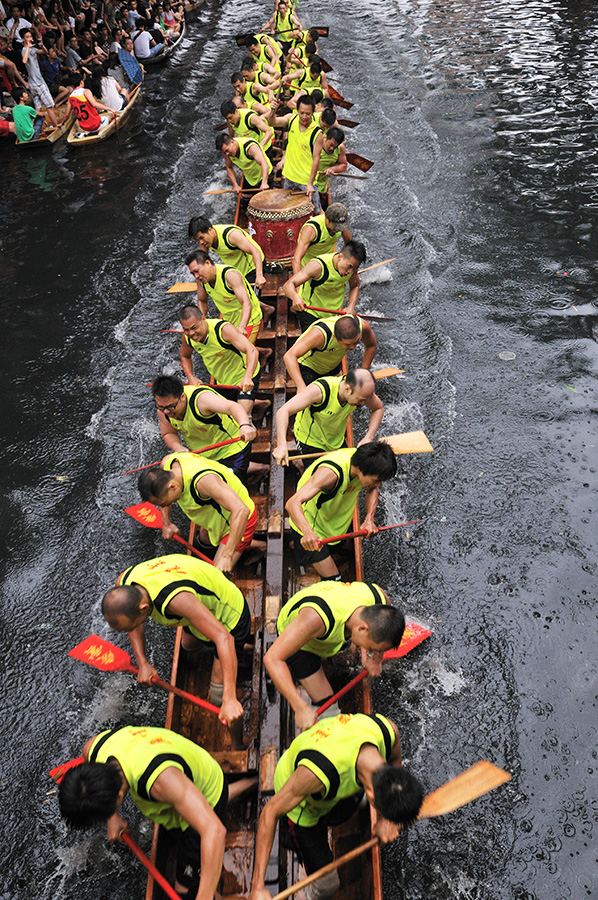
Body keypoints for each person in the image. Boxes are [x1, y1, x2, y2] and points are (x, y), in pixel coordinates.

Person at [59, 725, 255, 900]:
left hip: (206, 789)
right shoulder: (95, 749)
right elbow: (88, 755)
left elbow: (214, 830)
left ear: (118, 796)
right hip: (182, 777)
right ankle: (248, 783)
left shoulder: (160, 781)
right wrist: (113, 817)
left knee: (186, 890)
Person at [248, 713, 423, 900]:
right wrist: (257, 886)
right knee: (328, 886)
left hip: (338, 781)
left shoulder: (387, 731)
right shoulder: (315, 775)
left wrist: (388, 820)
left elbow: (396, 758)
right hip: (303, 805)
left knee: (355, 801)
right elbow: (269, 812)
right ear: (371, 793)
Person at [103, 553, 250, 721]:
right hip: (203, 605)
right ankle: (232, 653)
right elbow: (134, 625)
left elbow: (225, 638)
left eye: (129, 626)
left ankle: (239, 725)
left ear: (143, 608)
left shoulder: (176, 601)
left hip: (230, 617)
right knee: (187, 645)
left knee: (218, 697)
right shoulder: (124, 583)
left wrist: (229, 699)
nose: (130, 630)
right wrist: (142, 663)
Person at [265, 581, 405, 730]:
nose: (370, 650)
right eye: (371, 648)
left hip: (333, 628)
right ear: (362, 628)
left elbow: (387, 613)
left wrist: (376, 659)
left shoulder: (379, 598)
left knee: (351, 659)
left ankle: (334, 655)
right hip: (301, 642)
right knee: (329, 709)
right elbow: (272, 658)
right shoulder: (313, 620)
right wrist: (300, 708)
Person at [286, 441, 397, 579]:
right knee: (335, 579)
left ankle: (297, 546)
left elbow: (372, 489)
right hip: (312, 528)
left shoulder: (361, 462)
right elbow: (292, 503)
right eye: (376, 480)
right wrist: (308, 533)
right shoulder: (330, 474)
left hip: (335, 522)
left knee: (346, 549)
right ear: (362, 469)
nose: (378, 485)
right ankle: (300, 544)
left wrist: (369, 519)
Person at [138, 452, 258, 573]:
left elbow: (241, 510)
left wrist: (227, 556)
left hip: (237, 519)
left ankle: (256, 547)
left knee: (216, 576)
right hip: (217, 515)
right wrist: (166, 523)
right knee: (203, 540)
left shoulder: (204, 482)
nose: (162, 507)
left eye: (163, 503)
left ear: (172, 487)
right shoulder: (167, 463)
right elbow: (163, 497)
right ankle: (254, 545)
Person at [152, 374, 257, 482]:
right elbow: (168, 433)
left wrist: (244, 426)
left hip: (232, 449)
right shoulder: (163, 410)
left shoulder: (202, 400)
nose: (166, 411)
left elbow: (233, 407)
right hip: (205, 456)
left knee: (227, 485)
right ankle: (260, 467)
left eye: (171, 407)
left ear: (182, 397)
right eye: (161, 407)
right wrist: (177, 447)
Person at [273, 368, 384, 464]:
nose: (363, 404)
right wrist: (282, 446)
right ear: (347, 389)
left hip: (336, 441)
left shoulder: (361, 393)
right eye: (360, 401)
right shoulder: (320, 391)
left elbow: (378, 408)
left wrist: (368, 437)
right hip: (310, 441)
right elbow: (283, 411)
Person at [178, 304, 261, 417]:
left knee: (242, 416)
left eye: (194, 328)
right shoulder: (187, 338)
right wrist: (191, 377)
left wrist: (247, 377)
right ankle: (262, 404)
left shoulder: (223, 330)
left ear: (203, 318)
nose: (191, 333)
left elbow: (252, 351)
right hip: (223, 382)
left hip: (244, 377)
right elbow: (184, 356)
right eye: (186, 330)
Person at [284, 240, 366, 331]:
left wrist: (351, 306)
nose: (350, 272)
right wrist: (295, 297)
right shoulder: (317, 266)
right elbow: (288, 285)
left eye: (355, 268)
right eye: (349, 266)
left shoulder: (351, 270)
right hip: (311, 313)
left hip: (334, 314)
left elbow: (355, 286)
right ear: (340, 256)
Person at [186, 248, 263, 344]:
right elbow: (202, 301)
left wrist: (242, 327)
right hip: (228, 320)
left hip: (249, 320)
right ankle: (264, 352)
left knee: (242, 351)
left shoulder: (230, 276)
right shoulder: (201, 281)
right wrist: (200, 323)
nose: (196, 276)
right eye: (193, 273)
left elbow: (246, 303)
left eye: (197, 271)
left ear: (208, 263)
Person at [284, 314, 377, 391]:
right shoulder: (319, 335)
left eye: (356, 341)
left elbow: (371, 346)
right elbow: (289, 356)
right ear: (335, 337)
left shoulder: (363, 327)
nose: (353, 347)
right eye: (348, 345)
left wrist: (364, 372)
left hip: (331, 362)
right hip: (308, 366)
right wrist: (301, 386)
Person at [267, 93, 322, 211]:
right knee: (289, 209)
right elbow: (272, 122)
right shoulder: (291, 119)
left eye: (308, 114)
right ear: (297, 110)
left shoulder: (317, 133)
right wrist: (272, 111)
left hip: (305, 180)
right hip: (290, 177)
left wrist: (310, 183)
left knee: (316, 211)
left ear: (313, 112)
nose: (304, 117)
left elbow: (316, 159)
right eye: (301, 113)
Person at [189, 212, 266, 289]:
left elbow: (255, 251)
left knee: (245, 298)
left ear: (210, 230)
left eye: (201, 238)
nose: (201, 242)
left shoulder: (231, 236)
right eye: (197, 240)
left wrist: (259, 276)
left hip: (253, 268)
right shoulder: (205, 242)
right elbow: (201, 263)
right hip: (236, 271)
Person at [292, 202, 351, 273]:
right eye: (335, 226)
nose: (337, 230)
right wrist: (298, 281)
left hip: (328, 264)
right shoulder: (311, 229)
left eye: (340, 227)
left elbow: (349, 246)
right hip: (309, 267)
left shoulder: (342, 225)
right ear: (326, 218)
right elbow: (297, 259)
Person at [215, 132, 272, 198]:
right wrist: (235, 185)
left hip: (264, 175)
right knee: (244, 197)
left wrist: (264, 182)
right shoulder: (228, 153)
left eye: (227, 150)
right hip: (250, 177)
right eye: (224, 152)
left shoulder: (250, 147)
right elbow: (229, 167)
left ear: (232, 142)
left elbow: (264, 163)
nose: (227, 154)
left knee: (265, 200)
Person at [20, 29, 57, 126]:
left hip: (34, 83)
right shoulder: (25, 50)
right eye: (27, 37)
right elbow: (24, 61)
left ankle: (33, 127)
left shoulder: (32, 49)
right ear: (22, 39)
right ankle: (57, 126)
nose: (30, 39)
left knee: (38, 108)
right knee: (49, 106)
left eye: (30, 37)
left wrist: (41, 44)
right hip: (38, 83)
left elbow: (44, 52)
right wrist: (27, 47)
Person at [314, 125, 347, 204]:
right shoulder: (315, 144)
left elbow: (344, 165)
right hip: (310, 181)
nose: (332, 148)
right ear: (325, 138)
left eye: (335, 147)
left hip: (322, 184)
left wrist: (332, 169)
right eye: (331, 145)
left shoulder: (340, 148)